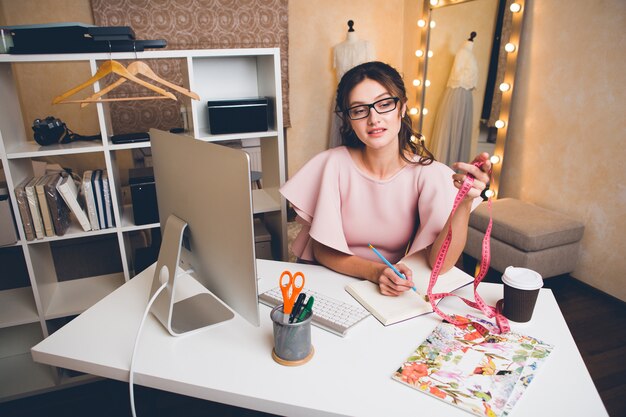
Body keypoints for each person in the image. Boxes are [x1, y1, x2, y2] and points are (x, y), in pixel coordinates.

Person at [280, 61, 490, 297]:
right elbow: (321, 251)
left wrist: (463, 202)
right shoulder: (332, 164)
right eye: (359, 110)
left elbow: (440, 265)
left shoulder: (429, 174)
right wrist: (376, 272)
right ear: (349, 119)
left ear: (402, 108)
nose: (373, 118)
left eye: (384, 104)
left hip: (386, 291)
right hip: (328, 282)